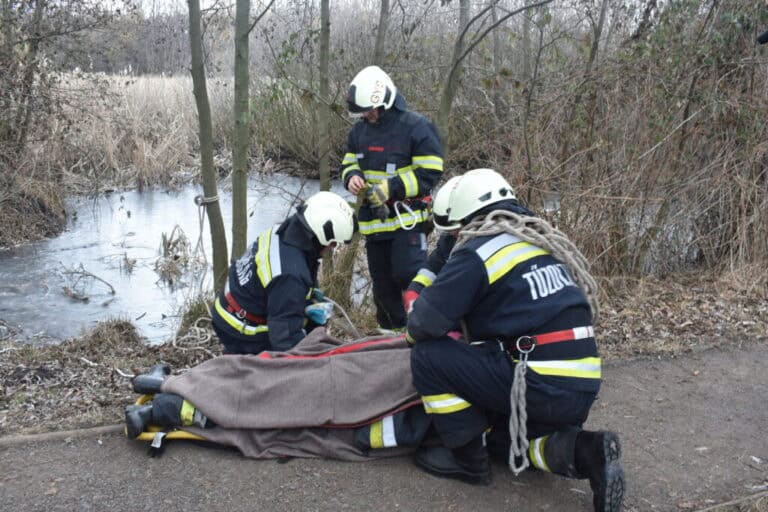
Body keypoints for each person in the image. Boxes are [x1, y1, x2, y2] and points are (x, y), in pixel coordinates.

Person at [405, 169, 624, 512]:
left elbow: (421, 325)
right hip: (581, 383)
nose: (455, 236)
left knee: (427, 356)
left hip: (536, 379)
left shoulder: (478, 252)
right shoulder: (540, 240)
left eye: (455, 230)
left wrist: (412, 320)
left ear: (464, 217)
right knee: (510, 444)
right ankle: (590, 452)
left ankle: (466, 460)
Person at [341, 65, 444, 333]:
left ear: (384, 101)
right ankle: (390, 341)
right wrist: (351, 176)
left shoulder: (417, 128)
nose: (367, 115)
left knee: (411, 278)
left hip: (406, 223)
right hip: (374, 228)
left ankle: (425, 333)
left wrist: (392, 187)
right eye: (363, 111)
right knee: (383, 289)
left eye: (370, 110)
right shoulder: (358, 133)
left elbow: (430, 172)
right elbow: (348, 162)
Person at [210, 191, 357, 355]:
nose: (332, 248)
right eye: (333, 243)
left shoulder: (283, 232)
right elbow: (285, 340)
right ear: (320, 234)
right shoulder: (290, 275)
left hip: (228, 308)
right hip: (240, 330)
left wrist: (309, 299)